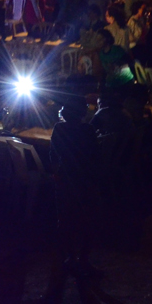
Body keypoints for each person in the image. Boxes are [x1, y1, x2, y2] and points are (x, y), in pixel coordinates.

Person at [51, 90, 103, 279]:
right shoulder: (88, 130)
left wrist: (56, 174)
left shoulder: (59, 129)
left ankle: (70, 257)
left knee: (65, 220)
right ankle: (84, 259)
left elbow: (53, 155)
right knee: (88, 220)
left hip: (66, 178)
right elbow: (95, 156)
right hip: (85, 180)